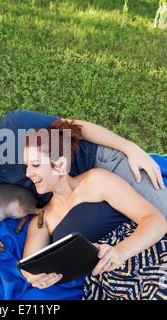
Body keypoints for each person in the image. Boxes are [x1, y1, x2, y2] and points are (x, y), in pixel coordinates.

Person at [21, 120, 167, 299]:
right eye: (26, 166)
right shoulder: (42, 219)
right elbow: (29, 267)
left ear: (60, 164)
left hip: (146, 257)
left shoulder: (96, 181)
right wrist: (36, 278)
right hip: (111, 284)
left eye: (35, 165)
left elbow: (157, 221)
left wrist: (121, 252)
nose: (27, 173)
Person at [0, 110, 166, 218]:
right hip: (79, 195)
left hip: (98, 162)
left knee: (161, 211)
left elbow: (76, 127)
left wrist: (130, 148)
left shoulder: (15, 125)